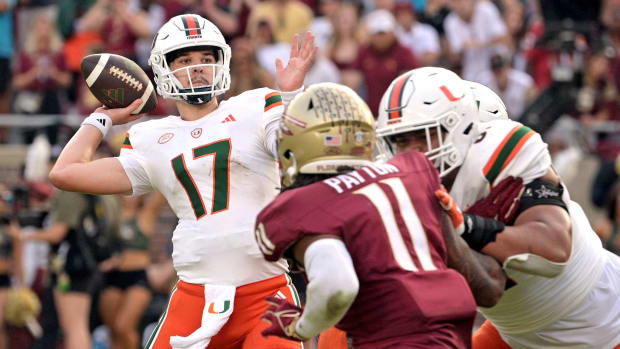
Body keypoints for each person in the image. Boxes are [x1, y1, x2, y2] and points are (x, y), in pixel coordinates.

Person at [49, 13, 317, 349]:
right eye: (186, 60)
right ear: (163, 69)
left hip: (267, 291)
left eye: (207, 58)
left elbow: (296, 150)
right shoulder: (151, 137)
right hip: (195, 295)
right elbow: (65, 173)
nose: (199, 67)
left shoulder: (256, 106)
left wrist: (292, 97)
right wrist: (102, 117)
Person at [376, 66, 620, 348]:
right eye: (400, 139)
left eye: (424, 135)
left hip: (603, 321)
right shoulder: (394, 183)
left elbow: (554, 249)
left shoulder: (503, 156)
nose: (411, 153)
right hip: (515, 333)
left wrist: (465, 225)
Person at [254, 82, 507, 348]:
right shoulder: (415, 171)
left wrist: (301, 327)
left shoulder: (299, 206)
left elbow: (337, 283)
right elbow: (488, 288)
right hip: (450, 336)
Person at [98, 192, 165, 349]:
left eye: (135, 193)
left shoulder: (145, 215)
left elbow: (160, 194)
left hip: (137, 276)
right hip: (112, 276)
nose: (131, 197)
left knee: (124, 327)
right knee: (113, 330)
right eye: (127, 193)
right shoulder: (111, 214)